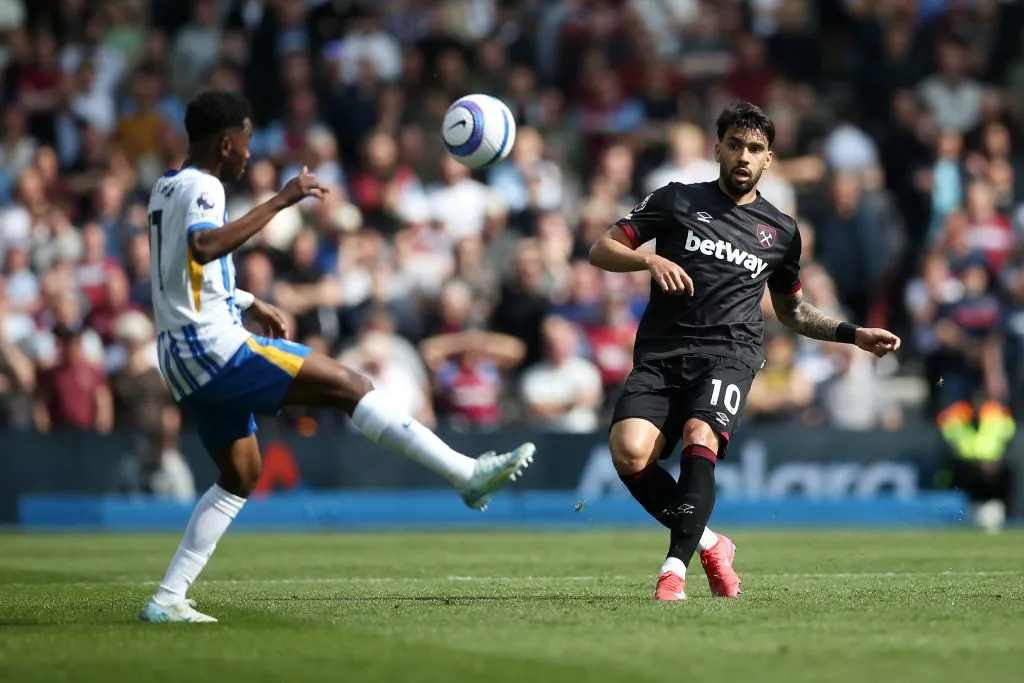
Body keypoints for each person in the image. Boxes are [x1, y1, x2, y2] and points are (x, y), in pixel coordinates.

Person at [139, 91, 535, 623]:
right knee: (351, 385)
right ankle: (466, 474)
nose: (249, 154)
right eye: (248, 141)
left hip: (180, 352)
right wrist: (281, 201)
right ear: (226, 142)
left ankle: (167, 598)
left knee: (240, 472)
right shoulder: (205, 186)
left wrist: (251, 300)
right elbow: (205, 248)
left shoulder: (165, 187)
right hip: (213, 347)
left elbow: (178, 274)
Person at [588, 102, 901, 602]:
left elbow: (793, 312)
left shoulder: (780, 231)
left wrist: (852, 333)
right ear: (717, 149)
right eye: (735, 144)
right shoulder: (675, 200)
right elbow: (601, 248)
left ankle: (674, 569)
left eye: (755, 149)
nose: (743, 156)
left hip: (730, 353)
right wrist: (647, 259)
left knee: (699, 432)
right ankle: (712, 543)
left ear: (769, 159)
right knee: (628, 453)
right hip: (661, 352)